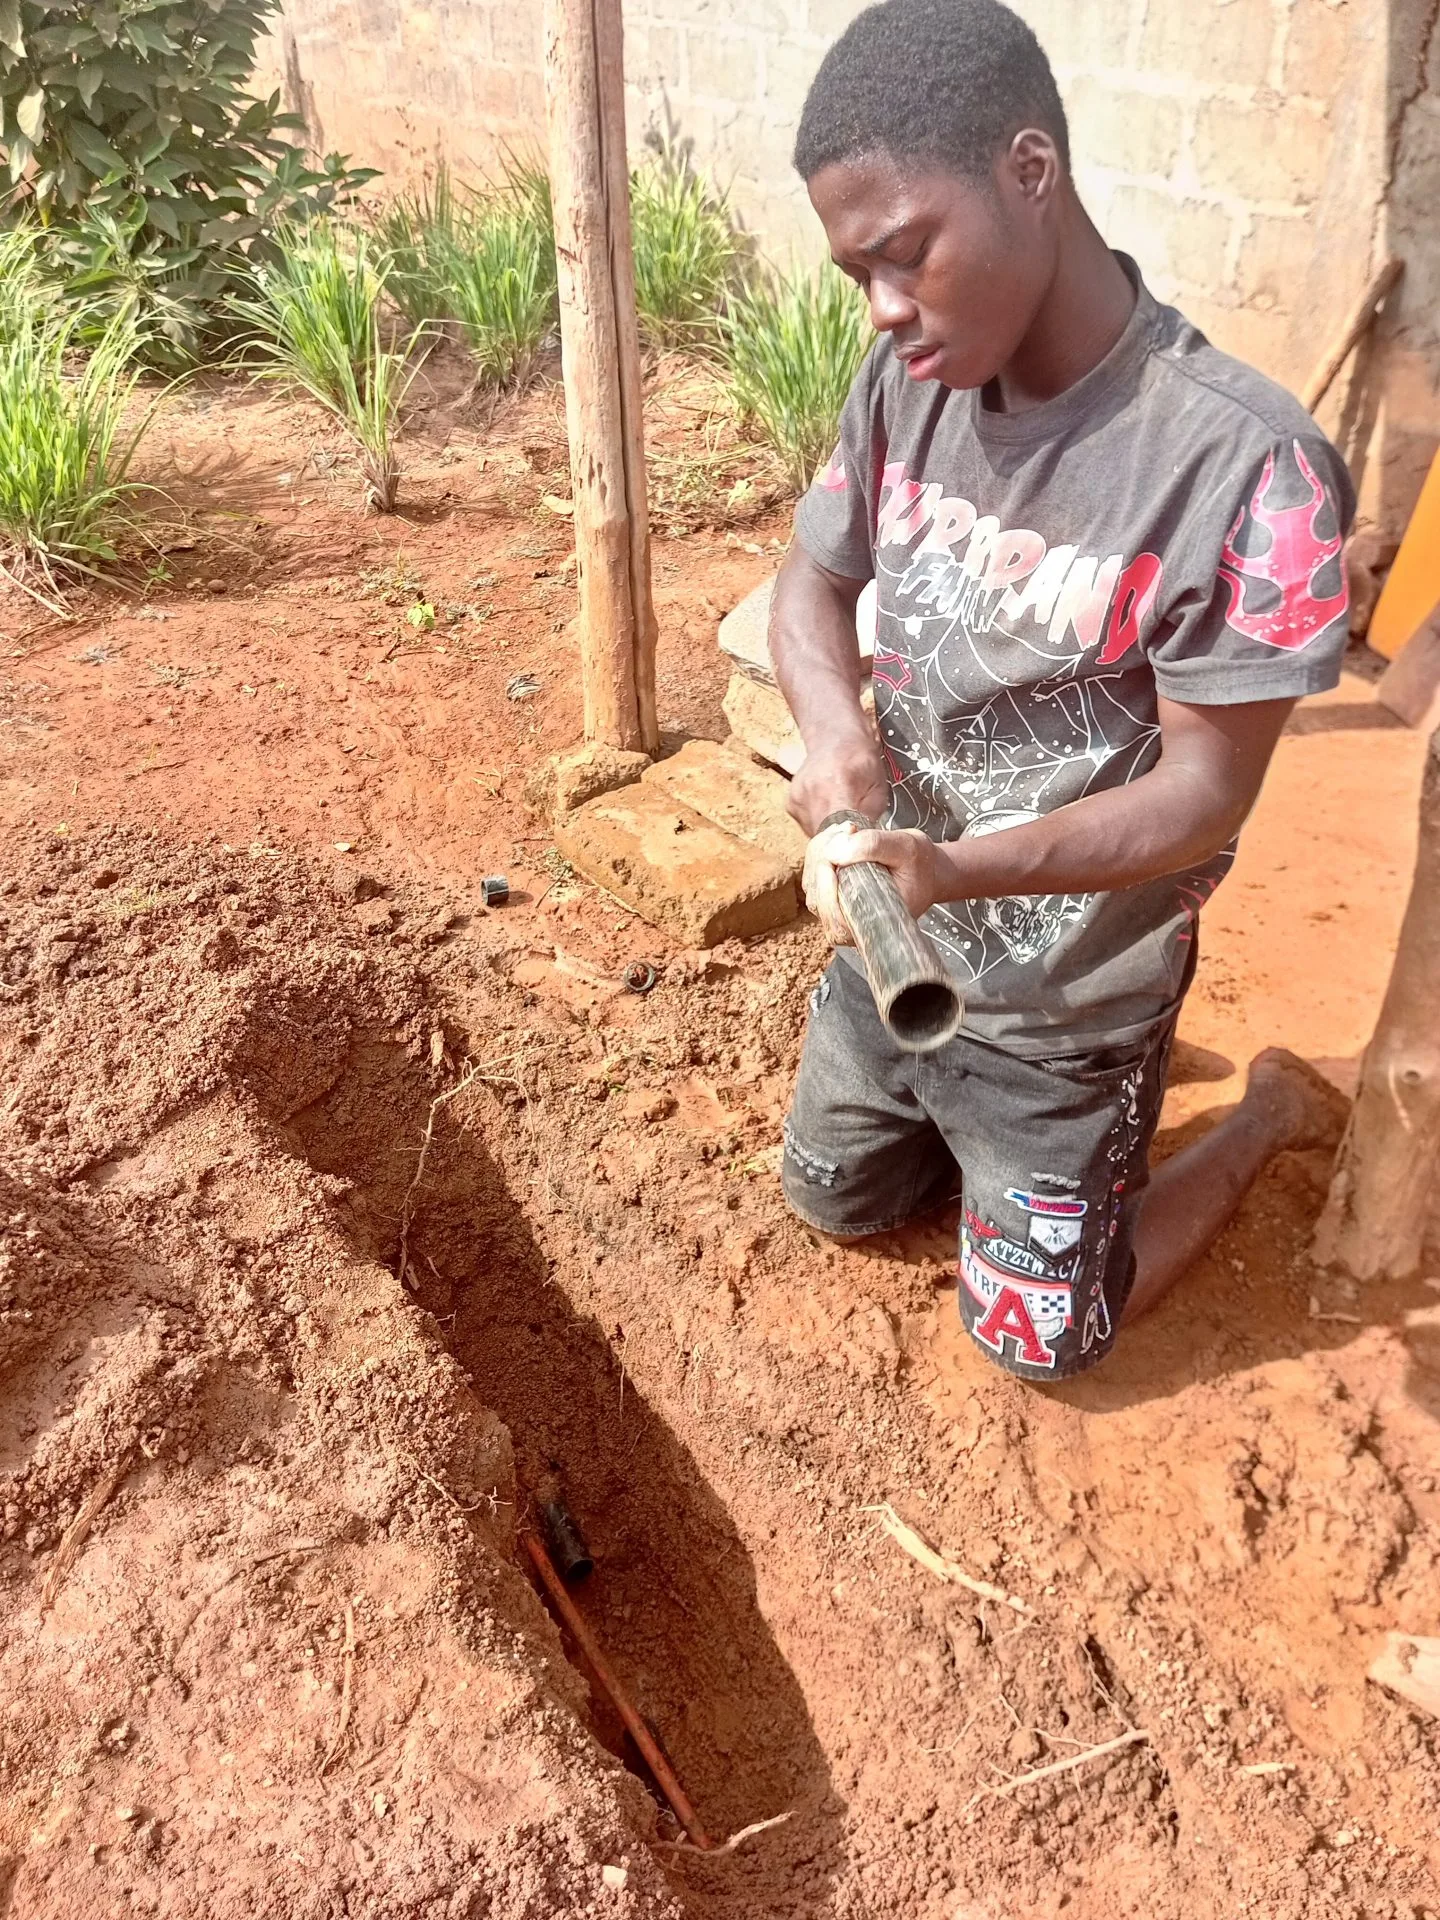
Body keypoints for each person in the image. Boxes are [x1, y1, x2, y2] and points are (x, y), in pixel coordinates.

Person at [772, 0, 1353, 1379]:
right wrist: (835, 735)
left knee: (1043, 1341)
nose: (883, 308)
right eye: (857, 273)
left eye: (905, 254)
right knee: (833, 1200)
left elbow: (1205, 794)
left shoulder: (1248, 468)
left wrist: (951, 870)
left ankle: (1260, 1116)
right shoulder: (903, 382)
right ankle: (974, 1137)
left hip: (1067, 1013)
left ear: (1029, 171)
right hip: (895, 953)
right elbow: (808, 582)